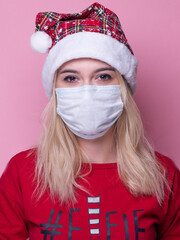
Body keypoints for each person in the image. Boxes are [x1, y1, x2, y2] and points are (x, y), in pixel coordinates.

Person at [0, 2, 179, 239]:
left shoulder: (163, 175)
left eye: (103, 76)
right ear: (55, 91)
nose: (87, 91)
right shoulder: (23, 173)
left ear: (123, 89)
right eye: (71, 78)